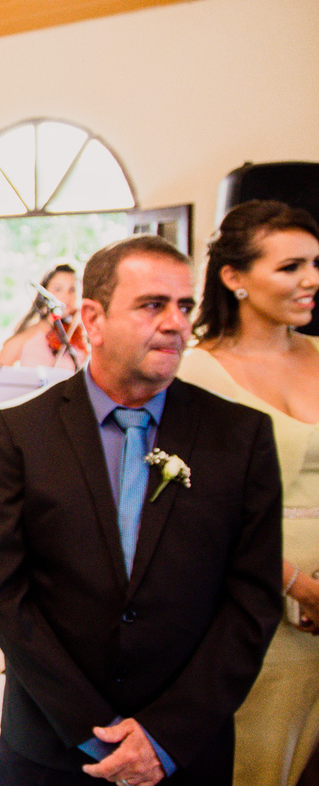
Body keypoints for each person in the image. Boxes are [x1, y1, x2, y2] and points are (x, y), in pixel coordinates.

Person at [0, 234, 283, 785]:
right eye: (152, 305)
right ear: (92, 318)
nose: (176, 323)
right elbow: (0, 589)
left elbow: (252, 601)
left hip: (185, 752)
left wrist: (166, 735)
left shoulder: (241, 437)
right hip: (53, 748)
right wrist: (93, 728)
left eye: (184, 306)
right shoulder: (21, 432)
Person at [178, 199, 319, 786]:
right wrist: (300, 587)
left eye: (315, 263)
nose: (311, 280)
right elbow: (195, 509)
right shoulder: (194, 372)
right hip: (254, 605)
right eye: (290, 267)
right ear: (234, 278)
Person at [0, 261, 87, 370]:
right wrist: (47, 323)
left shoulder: (81, 330)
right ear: (44, 291)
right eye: (58, 289)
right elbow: (3, 362)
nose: (66, 296)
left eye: (72, 290)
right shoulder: (34, 330)